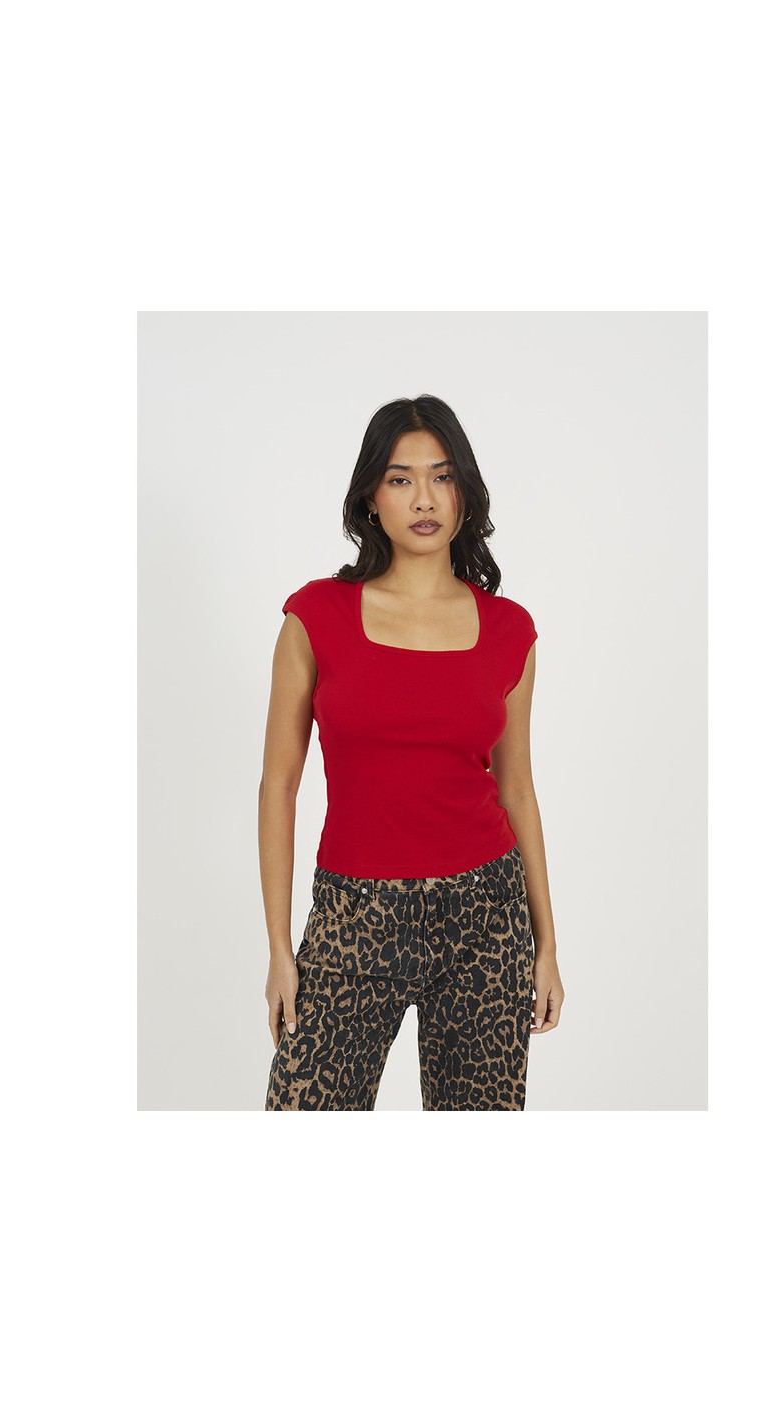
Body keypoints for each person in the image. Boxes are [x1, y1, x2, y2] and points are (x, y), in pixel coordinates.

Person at [261, 394, 563, 1110]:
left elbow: (517, 790)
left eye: (442, 476)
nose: (424, 498)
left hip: (486, 915)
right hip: (353, 914)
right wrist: (279, 949)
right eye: (400, 478)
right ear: (371, 495)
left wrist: (547, 944)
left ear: (465, 491)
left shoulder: (509, 630)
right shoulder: (317, 617)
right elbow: (278, 786)